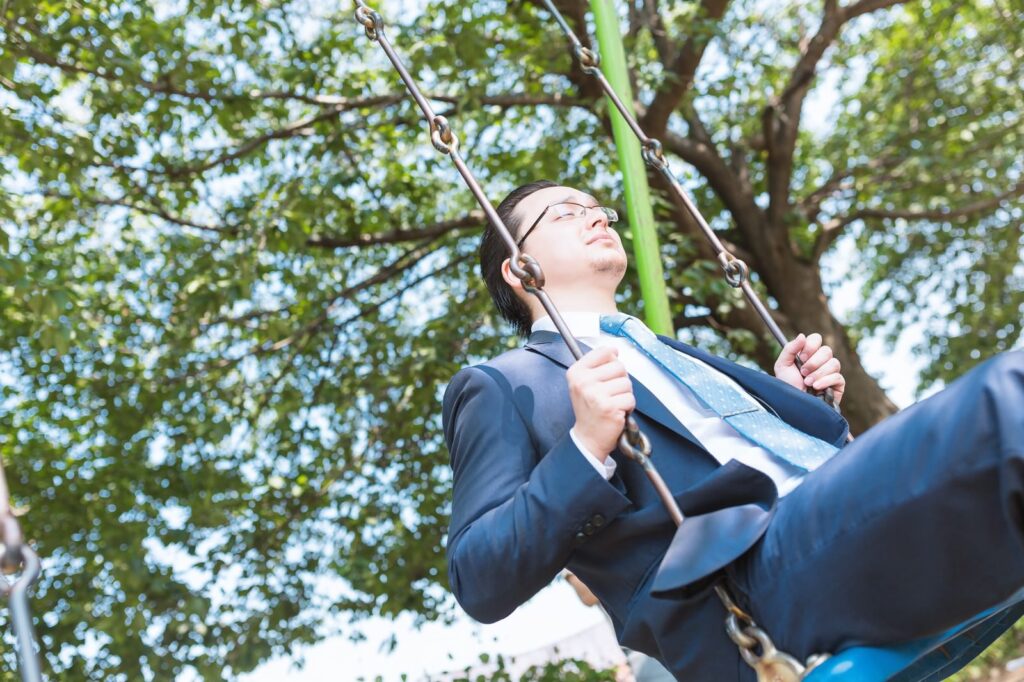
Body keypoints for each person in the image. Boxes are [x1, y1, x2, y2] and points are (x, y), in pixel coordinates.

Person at [442, 180, 1024, 680]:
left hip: (827, 529)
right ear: (518, 267)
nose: (597, 217)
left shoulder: (666, 353)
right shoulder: (504, 384)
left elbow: (726, 451)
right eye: (567, 213)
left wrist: (789, 409)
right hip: (745, 590)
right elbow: (479, 578)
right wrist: (585, 446)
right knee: (1008, 400)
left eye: (599, 209)